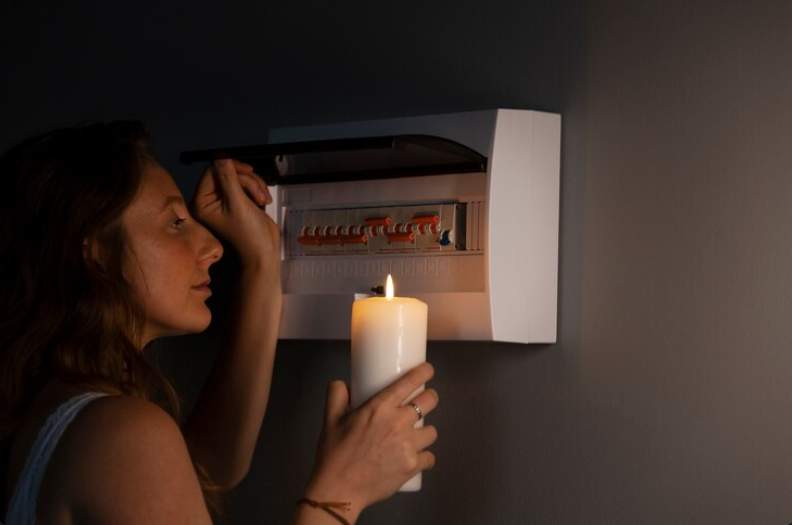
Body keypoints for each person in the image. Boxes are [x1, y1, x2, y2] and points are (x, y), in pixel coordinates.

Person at [0, 121, 439, 524]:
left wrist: (261, 264)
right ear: (96, 253)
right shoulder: (119, 433)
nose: (213, 246)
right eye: (175, 222)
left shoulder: (54, 410)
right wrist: (341, 492)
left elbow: (208, 469)